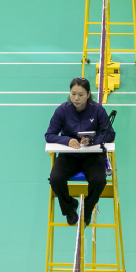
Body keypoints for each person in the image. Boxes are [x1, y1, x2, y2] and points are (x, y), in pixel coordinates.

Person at [46, 78, 115, 226]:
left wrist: (92, 140)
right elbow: (49, 135)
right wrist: (67, 140)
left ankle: (87, 210)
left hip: (92, 156)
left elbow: (110, 134)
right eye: (73, 94)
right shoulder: (62, 110)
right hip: (69, 156)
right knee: (55, 179)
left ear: (88, 94)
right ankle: (70, 207)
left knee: (99, 180)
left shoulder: (98, 110)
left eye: (81, 95)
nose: (76, 98)